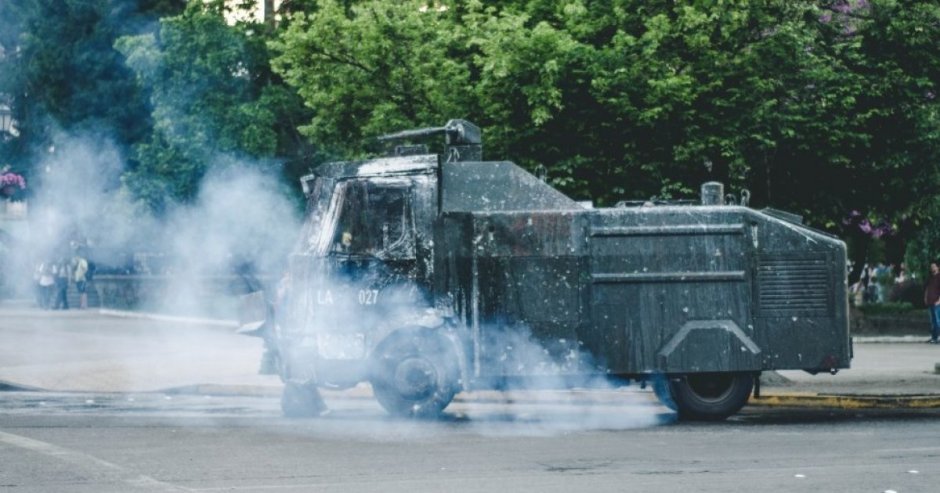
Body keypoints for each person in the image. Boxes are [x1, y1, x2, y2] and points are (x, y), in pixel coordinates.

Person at [923, 261, 940, 344]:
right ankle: (934, 337)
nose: (932, 268)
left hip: (937, 302)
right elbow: (927, 288)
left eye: (934, 266)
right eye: (931, 266)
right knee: (932, 321)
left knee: (938, 321)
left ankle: (937, 338)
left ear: (938, 267)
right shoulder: (930, 277)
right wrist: (925, 297)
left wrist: (939, 300)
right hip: (930, 301)